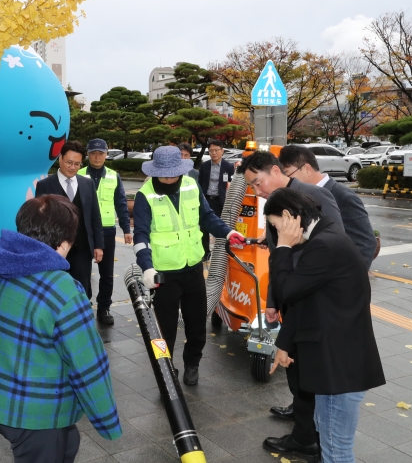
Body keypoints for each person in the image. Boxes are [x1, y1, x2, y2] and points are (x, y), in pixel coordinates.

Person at [0, 195, 121, 463]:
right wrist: (108, 422)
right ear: (65, 241)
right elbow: (88, 365)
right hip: (33, 413)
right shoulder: (63, 291)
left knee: (68, 442)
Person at [237, 150, 343, 459]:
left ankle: (309, 439)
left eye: (258, 183)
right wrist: (274, 299)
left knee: (307, 372)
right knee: (296, 371)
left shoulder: (311, 196)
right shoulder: (275, 204)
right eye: (252, 188)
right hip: (292, 296)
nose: (257, 192)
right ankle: (303, 429)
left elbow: (334, 246)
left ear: (274, 170)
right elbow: (276, 254)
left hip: (314, 298)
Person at [266, 188, 385, 463]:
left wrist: (283, 247)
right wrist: (284, 344)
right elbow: (306, 300)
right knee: (331, 442)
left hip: (337, 369)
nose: (274, 234)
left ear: (287, 217)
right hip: (337, 364)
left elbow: (287, 292)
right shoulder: (326, 236)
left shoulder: (324, 245)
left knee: (336, 451)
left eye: (275, 226)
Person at [133, 146, 244, 386]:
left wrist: (228, 232)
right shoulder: (145, 195)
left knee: (196, 323)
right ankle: (166, 369)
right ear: (155, 171)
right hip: (163, 273)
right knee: (164, 329)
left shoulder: (191, 186)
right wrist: (147, 268)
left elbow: (206, 217)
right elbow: (140, 235)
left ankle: (192, 363)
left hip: (193, 268)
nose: (170, 178)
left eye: (175, 172)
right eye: (165, 173)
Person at [35, 141, 104, 301]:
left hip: (83, 249)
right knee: (56, 291)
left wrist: (99, 245)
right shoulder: (45, 185)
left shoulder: (87, 184)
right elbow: (39, 220)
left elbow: (95, 216)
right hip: (55, 249)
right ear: (60, 159)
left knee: (82, 290)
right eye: (69, 162)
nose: (73, 167)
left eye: (77, 164)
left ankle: (82, 321)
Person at [78, 138, 132, 325]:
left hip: (107, 230)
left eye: (101, 153)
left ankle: (104, 307)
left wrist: (126, 229)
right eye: (93, 153)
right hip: (84, 230)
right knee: (82, 270)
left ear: (106, 154)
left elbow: (121, 204)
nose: (97, 156)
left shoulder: (113, 175)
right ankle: (84, 305)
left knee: (107, 273)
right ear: (88, 154)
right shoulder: (79, 174)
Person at [198, 140, 235, 259]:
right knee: (203, 228)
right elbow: (200, 182)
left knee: (220, 226)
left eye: (216, 150)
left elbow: (231, 183)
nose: (214, 153)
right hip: (206, 199)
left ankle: (221, 254)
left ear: (222, 151)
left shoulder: (228, 166)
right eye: (211, 151)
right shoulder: (204, 165)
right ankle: (205, 252)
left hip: (220, 201)